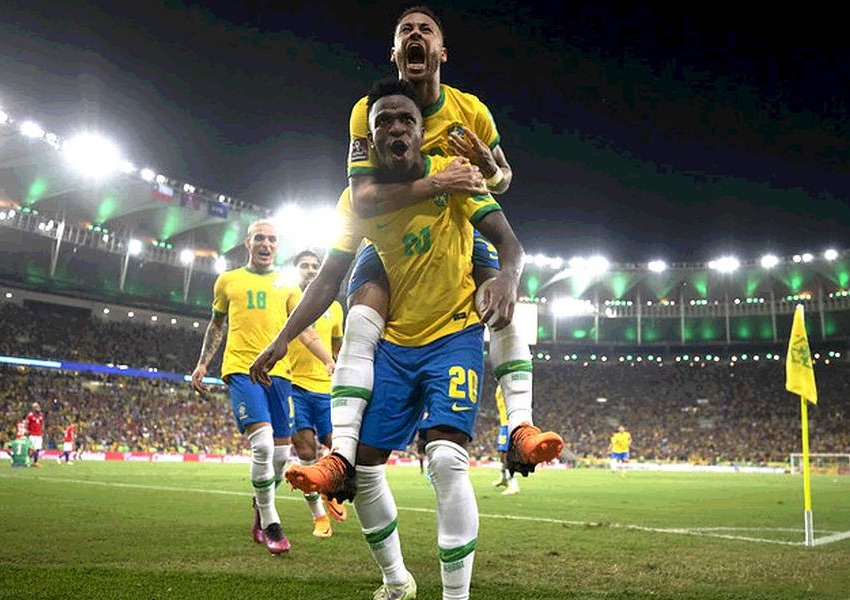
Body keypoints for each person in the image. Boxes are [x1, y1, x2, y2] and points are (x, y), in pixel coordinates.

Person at [252, 78, 561, 600]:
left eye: (406, 121)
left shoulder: (454, 174)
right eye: (384, 123)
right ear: (369, 141)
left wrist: (508, 277)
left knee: (445, 458)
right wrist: (283, 338)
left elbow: (510, 242)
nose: (396, 127)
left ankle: (456, 592)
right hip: (394, 347)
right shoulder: (356, 204)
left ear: (424, 132)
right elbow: (328, 280)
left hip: (453, 335)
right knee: (366, 474)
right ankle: (396, 580)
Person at [288, 4, 555, 503]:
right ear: (395, 54)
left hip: (456, 223)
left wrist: (486, 170)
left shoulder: (471, 110)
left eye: (424, 30)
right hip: (387, 233)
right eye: (404, 31)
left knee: (497, 294)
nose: (415, 35)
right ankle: (342, 455)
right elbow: (363, 198)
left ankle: (520, 426)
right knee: (362, 312)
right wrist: (436, 180)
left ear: (441, 52)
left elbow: (503, 180)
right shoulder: (365, 112)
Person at [191, 220, 335, 554]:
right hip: (241, 370)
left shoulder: (287, 286)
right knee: (263, 446)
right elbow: (216, 326)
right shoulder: (228, 280)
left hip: (280, 374)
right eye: (260, 238)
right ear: (248, 243)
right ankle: (271, 522)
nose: (266, 244)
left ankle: (259, 504)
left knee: (283, 454)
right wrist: (202, 363)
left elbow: (306, 331)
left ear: (277, 246)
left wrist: (329, 360)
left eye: (271, 239)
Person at [287, 249, 347, 536]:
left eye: (315, 266)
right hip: (293, 386)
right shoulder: (285, 301)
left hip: (326, 390)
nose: (310, 270)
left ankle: (330, 489)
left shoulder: (335, 308)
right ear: (294, 270)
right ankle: (319, 518)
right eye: (304, 266)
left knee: (339, 447)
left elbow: (338, 346)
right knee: (306, 452)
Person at [492, 385, 519, 495]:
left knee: (507, 455)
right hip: (504, 424)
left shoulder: (508, 385)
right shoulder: (500, 386)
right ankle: (503, 477)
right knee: (502, 453)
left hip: (510, 424)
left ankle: (513, 483)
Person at [25, 403, 45, 469]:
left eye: (38, 406)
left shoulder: (41, 415)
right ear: (33, 408)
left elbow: (42, 424)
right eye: (36, 407)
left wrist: (42, 431)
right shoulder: (30, 415)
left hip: (39, 435)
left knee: (38, 449)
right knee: (31, 449)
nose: (38, 408)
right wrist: (26, 430)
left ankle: (35, 462)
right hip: (32, 435)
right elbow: (26, 423)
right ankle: (27, 461)